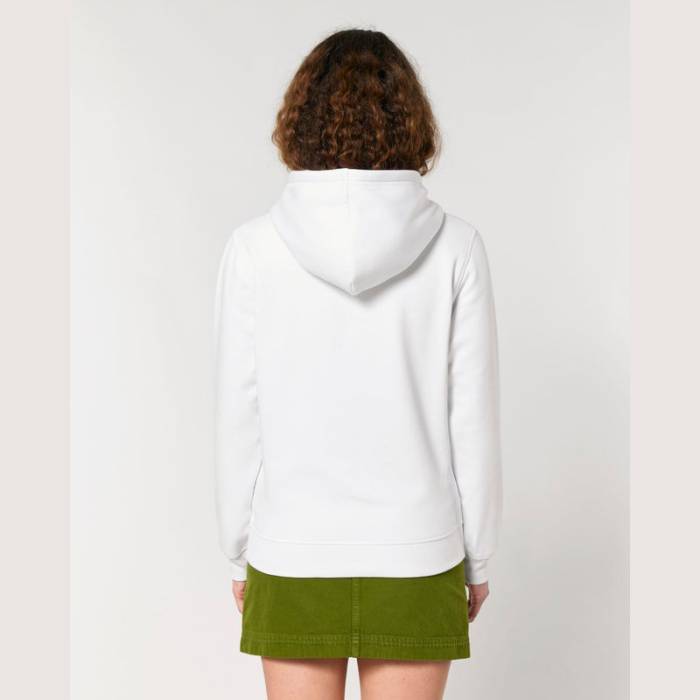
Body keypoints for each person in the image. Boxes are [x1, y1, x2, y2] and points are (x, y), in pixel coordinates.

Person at [214, 28, 502, 700]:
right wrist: (478, 556)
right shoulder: (456, 247)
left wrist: (240, 548)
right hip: (418, 549)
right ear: (411, 122)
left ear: (301, 120)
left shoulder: (253, 249)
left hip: (293, 547)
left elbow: (237, 416)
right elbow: (473, 419)